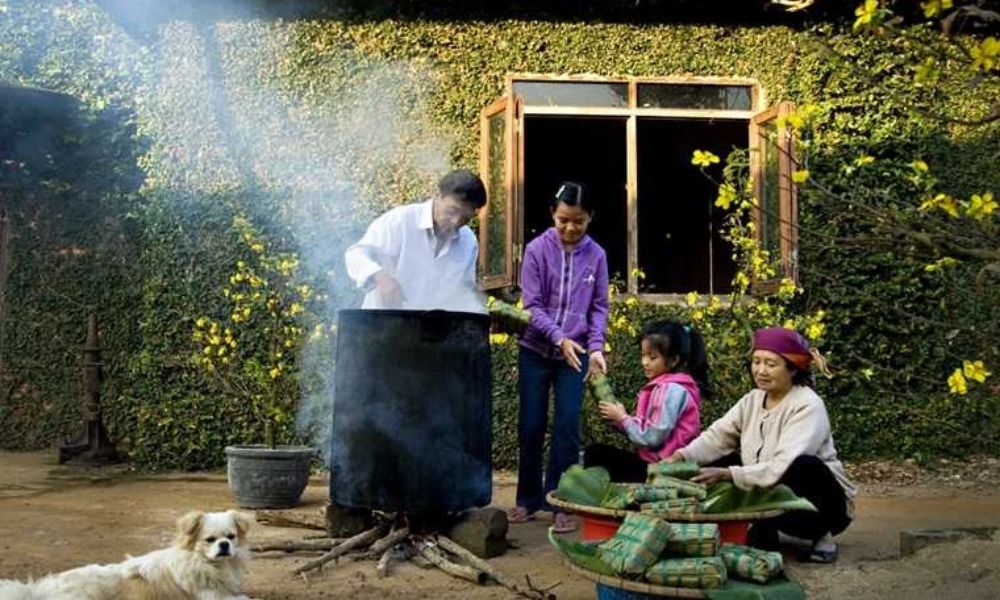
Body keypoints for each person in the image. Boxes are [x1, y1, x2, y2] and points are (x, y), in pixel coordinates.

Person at [667, 327, 856, 563]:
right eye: (756, 361)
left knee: (804, 466)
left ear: (792, 368)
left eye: (771, 363)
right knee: (718, 459)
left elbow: (782, 465)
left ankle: (822, 536)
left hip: (821, 504)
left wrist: (729, 474)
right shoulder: (752, 400)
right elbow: (718, 436)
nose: (761, 370)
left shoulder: (808, 405)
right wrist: (681, 456)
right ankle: (763, 527)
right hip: (770, 494)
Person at [508, 181, 610, 534]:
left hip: (575, 356)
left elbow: (599, 307)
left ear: (590, 218)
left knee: (567, 427)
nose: (570, 228)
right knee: (531, 426)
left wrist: (595, 348)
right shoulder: (537, 250)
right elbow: (531, 305)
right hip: (536, 351)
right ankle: (526, 500)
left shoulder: (597, 255)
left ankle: (559, 503)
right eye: (564, 219)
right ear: (553, 214)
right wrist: (558, 336)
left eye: (578, 221)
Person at [344, 169, 487, 312]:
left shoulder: (468, 241)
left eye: (465, 217)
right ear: (438, 197)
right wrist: (381, 277)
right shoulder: (400, 221)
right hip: (381, 323)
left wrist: (482, 315)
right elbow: (355, 255)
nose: (456, 221)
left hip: (430, 329)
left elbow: (463, 292)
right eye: (452, 211)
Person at [583, 320, 707, 483]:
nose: (645, 362)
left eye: (652, 357)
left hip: (664, 470)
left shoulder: (673, 390)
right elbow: (645, 430)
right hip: (652, 463)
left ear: (674, 360)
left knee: (596, 454)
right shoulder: (664, 385)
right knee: (597, 453)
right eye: (643, 355)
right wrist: (619, 420)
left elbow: (653, 437)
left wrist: (623, 418)